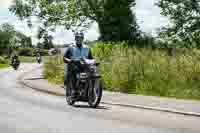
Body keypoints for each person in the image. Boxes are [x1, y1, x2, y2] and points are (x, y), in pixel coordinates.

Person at [63, 32, 93, 96]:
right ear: (75, 39)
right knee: (74, 70)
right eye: (77, 38)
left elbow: (91, 58)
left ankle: (90, 88)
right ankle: (74, 89)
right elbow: (64, 58)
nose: (79, 39)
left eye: (81, 38)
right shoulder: (71, 47)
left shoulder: (87, 48)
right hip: (73, 66)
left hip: (84, 66)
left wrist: (93, 62)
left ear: (83, 39)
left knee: (92, 71)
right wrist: (70, 60)